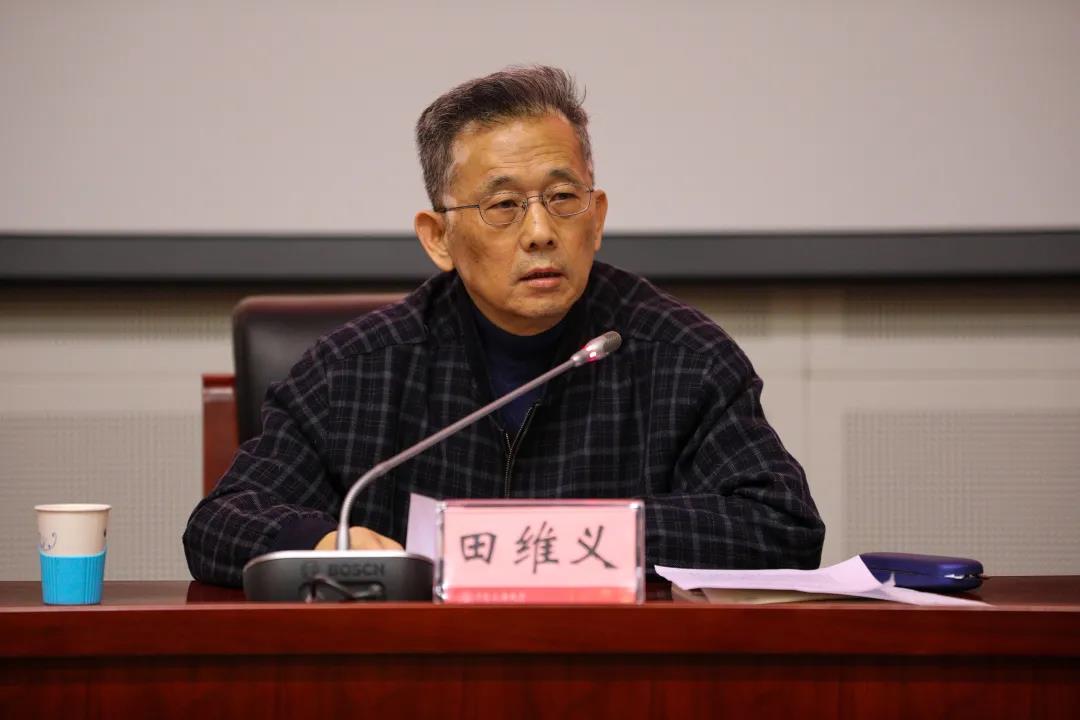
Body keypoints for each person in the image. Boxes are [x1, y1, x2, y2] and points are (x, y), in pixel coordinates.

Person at [183, 66, 824, 587]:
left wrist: (575, 539)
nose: (541, 231)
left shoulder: (684, 358)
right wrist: (322, 543)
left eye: (563, 198)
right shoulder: (354, 372)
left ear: (597, 217)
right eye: (503, 205)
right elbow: (220, 524)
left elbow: (782, 527)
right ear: (438, 238)